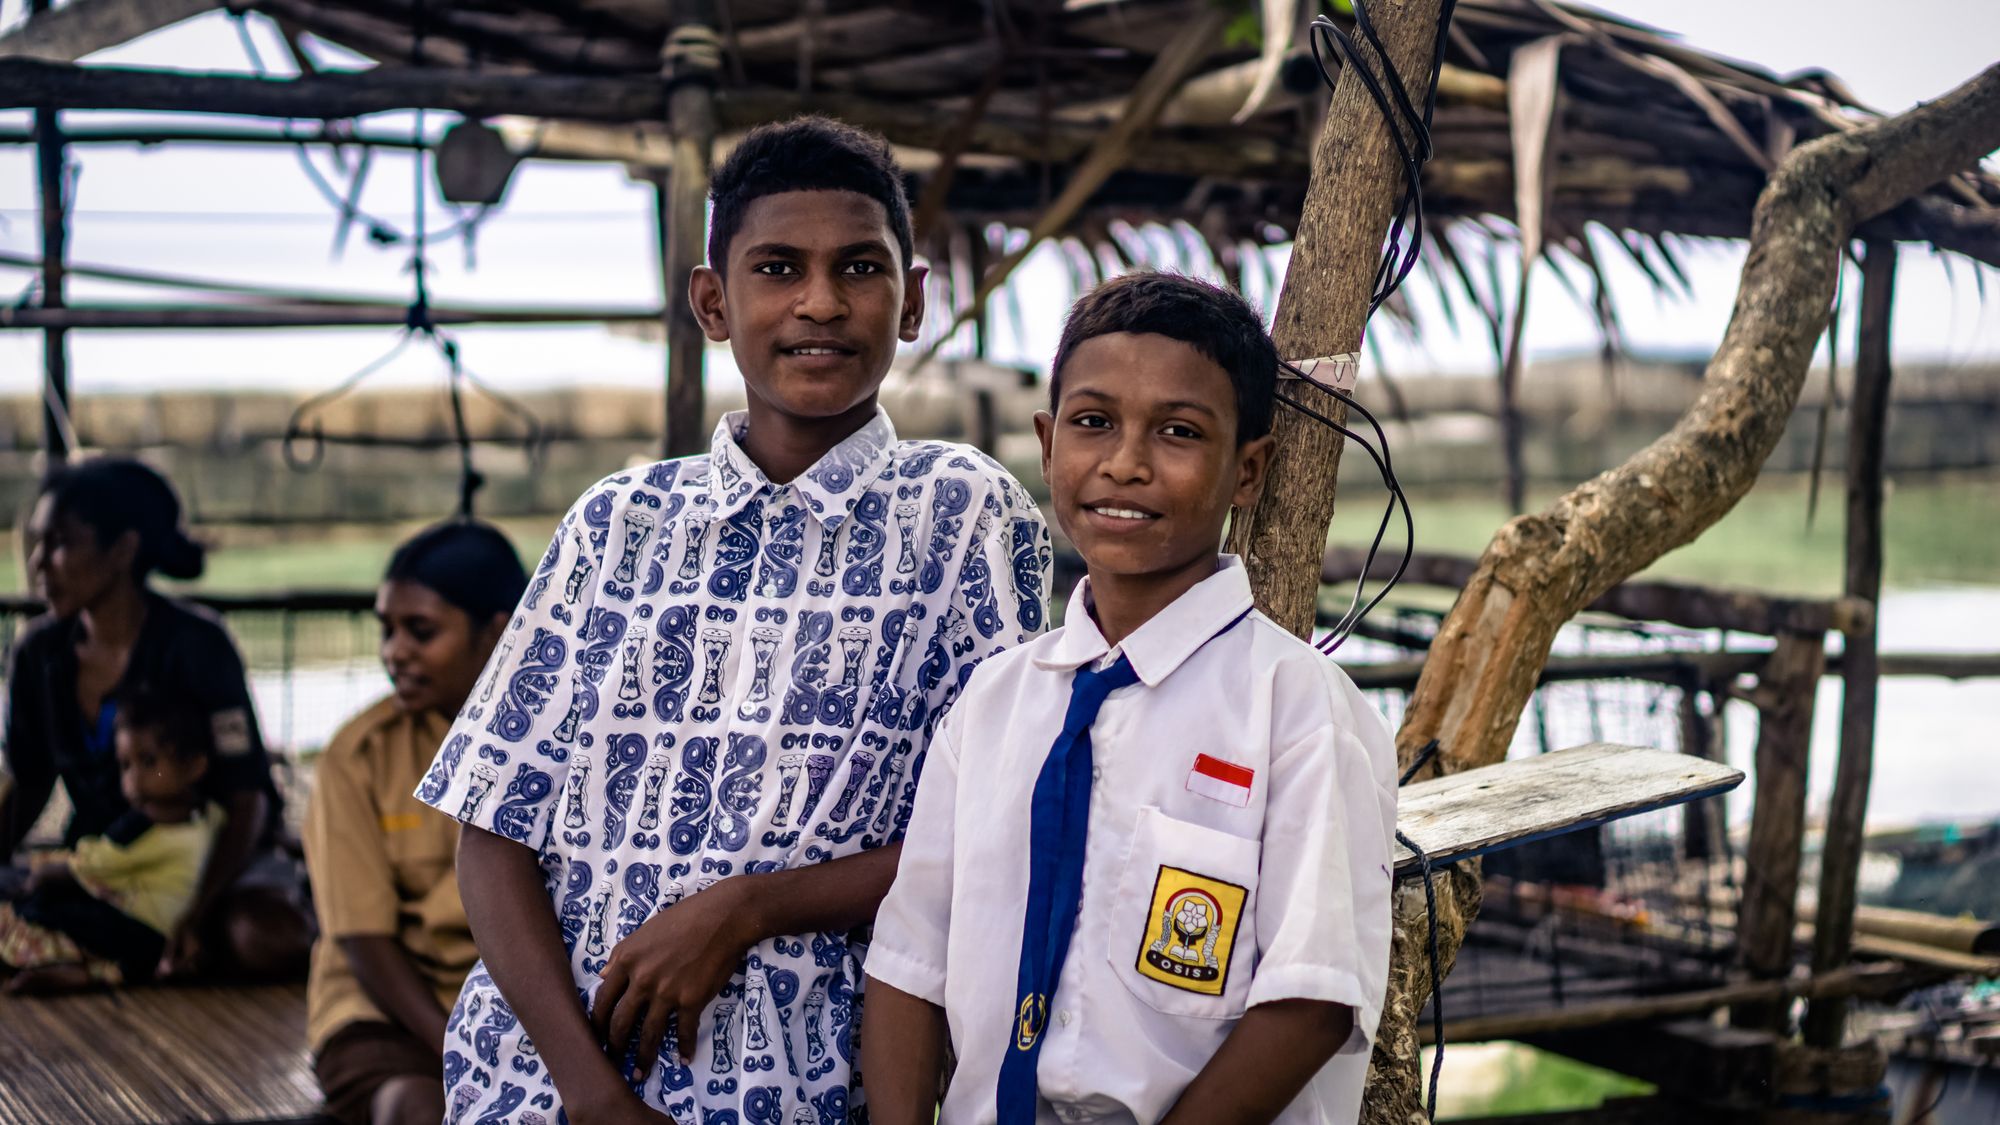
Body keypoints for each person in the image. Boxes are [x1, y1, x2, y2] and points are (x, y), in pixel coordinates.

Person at [416, 116, 1051, 1124]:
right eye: (776, 268)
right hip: (545, 1081)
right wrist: (587, 1093)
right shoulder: (616, 521)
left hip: (804, 1087)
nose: (819, 302)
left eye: (857, 267)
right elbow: (492, 833)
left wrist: (747, 909)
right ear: (713, 302)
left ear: (914, 298)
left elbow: (988, 830)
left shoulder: (962, 513)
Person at [862, 272, 1399, 1125]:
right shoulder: (997, 703)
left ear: (1248, 469)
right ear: (1047, 444)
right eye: (1093, 422)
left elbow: (1310, 998)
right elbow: (909, 961)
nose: (1125, 462)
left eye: (1178, 432)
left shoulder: (1295, 709)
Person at [0, 457, 312, 980]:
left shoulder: (198, 644)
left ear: (123, 549)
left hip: (209, 859)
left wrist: (197, 908)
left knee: (261, 938)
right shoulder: (39, 653)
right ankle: (141, 952)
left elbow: (246, 797)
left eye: (58, 544)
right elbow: (28, 780)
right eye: (36, 543)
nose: (38, 563)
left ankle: (134, 950)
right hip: (118, 865)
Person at [304, 521, 527, 1125]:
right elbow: (363, 941)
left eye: (420, 632)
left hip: (522, 1003)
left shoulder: (557, 746)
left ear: (497, 633)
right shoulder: (359, 754)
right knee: (415, 1106)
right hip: (389, 1010)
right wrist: (462, 1052)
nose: (394, 651)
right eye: (387, 630)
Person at [0, 691, 222, 993]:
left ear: (194, 766)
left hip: (132, 936)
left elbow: (86, 867)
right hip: (155, 950)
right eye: (125, 766)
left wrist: (36, 876)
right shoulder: (211, 816)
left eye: (149, 762)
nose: (133, 779)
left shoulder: (141, 829)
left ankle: (60, 966)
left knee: (38, 904)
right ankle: (94, 973)